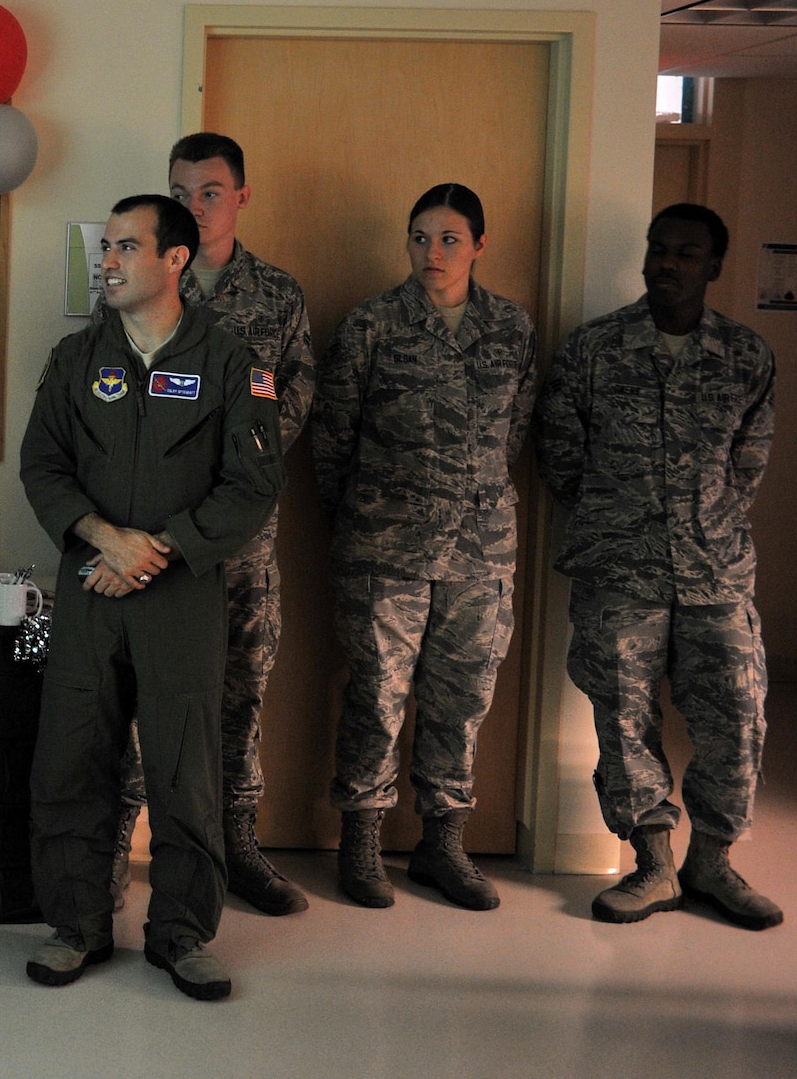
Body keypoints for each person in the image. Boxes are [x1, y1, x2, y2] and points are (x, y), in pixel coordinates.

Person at [20, 194, 285, 1000]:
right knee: (72, 758)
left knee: (186, 769)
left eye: (126, 247)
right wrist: (106, 538)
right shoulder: (75, 358)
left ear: (175, 258)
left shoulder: (234, 360)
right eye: (105, 247)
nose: (108, 261)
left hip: (181, 596)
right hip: (92, 587)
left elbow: (253, 484)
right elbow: (42, 467)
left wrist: (153, 550)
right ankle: (77, 925)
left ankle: (180, 934)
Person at [536, 204, 780, 930]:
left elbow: (749, 462)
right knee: (621, 717)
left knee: (739, 716)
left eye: (685, 252)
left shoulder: (746, 355)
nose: (666, 263)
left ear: (713, 265)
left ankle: (711, 859)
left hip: (717, 572)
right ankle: (653, 865)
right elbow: (559, 451)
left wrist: (706, 525)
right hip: (620, 568)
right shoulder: (593, 349)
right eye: (657, 248)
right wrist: (618, 516)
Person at [313, 183, 536, 913]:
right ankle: (363, 840)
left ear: (478, 244)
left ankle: (443, 842)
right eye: (419, 237)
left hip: (480, 551)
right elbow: (332, 438)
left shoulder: (511, 329)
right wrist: (356, 522)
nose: (432, 252)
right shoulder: (373, 324)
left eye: (448, 238)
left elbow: (516, 432)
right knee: (377, 694)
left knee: (463, 697)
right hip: (386, 547)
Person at [111, 132, 315, 917]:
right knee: (134, 696)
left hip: (239, 542)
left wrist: (230, 469)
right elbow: (112, 399)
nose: (196, 206)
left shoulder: (277, 295)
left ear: (241, 196)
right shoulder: (141, 277)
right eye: (182, 191)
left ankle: (237, 846)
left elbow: (294, 397)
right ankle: (115, 850)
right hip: (150, 536)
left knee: (239, 695)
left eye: (211, 191)